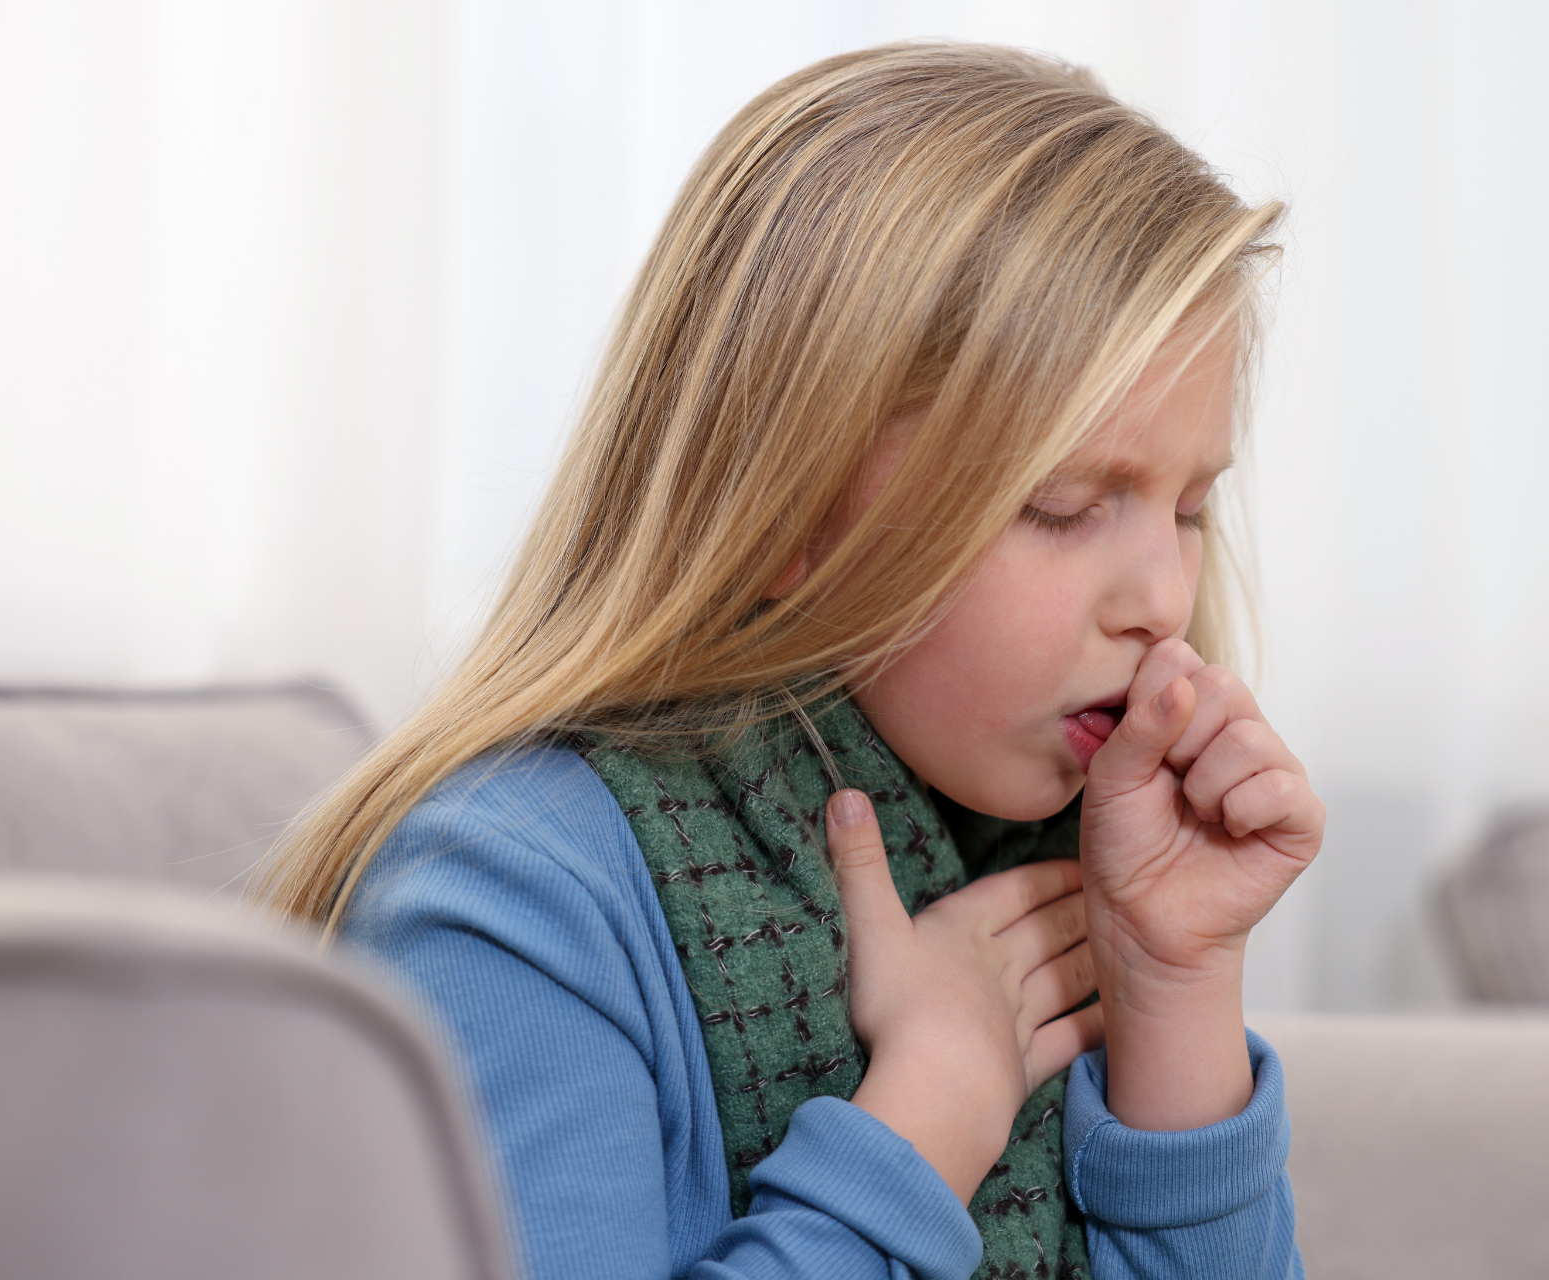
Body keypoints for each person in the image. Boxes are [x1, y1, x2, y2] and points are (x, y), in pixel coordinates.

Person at [260, 41, 1322, 1280]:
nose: (1164, 598)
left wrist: (1176, 994)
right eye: (1067, 503)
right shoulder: (517, 898)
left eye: (1189, 508)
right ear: (785, 517)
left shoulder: (1068, 854)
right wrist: (926, 1115)